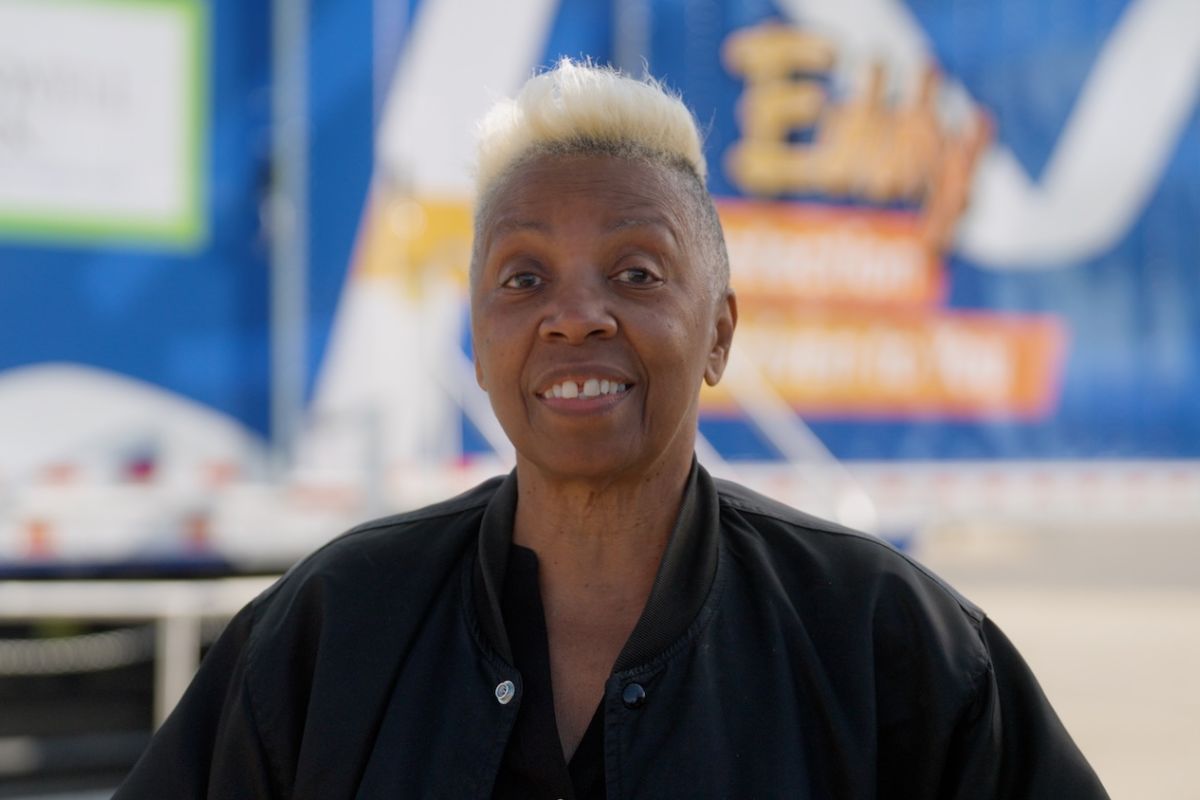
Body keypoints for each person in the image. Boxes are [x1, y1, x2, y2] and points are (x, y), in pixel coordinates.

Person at [115, 60, 1109, 799]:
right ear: (478, 337)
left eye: (636, 272)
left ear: (719, 330)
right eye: (523, 277)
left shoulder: (890, 644)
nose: (576, 314)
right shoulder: (330, 631)